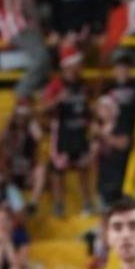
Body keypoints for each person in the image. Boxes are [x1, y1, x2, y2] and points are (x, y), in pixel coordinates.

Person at [46, 46, 95, 216]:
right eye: (77, 63)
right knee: (58, 169)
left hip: (80, 131)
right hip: (62, 132)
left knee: (82, 167)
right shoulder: (56, 85)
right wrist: (58, 99)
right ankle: (59, 204)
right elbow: (43, 107)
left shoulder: (84, 85)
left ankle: (87, 203)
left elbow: (89, 106)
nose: (80, 67)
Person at [0, 0, 51, 98]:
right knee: (42, 56)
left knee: (45, 58)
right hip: (15, 28)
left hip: (28, 29)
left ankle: (36, 90)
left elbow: (31, 13)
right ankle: (21, 91)